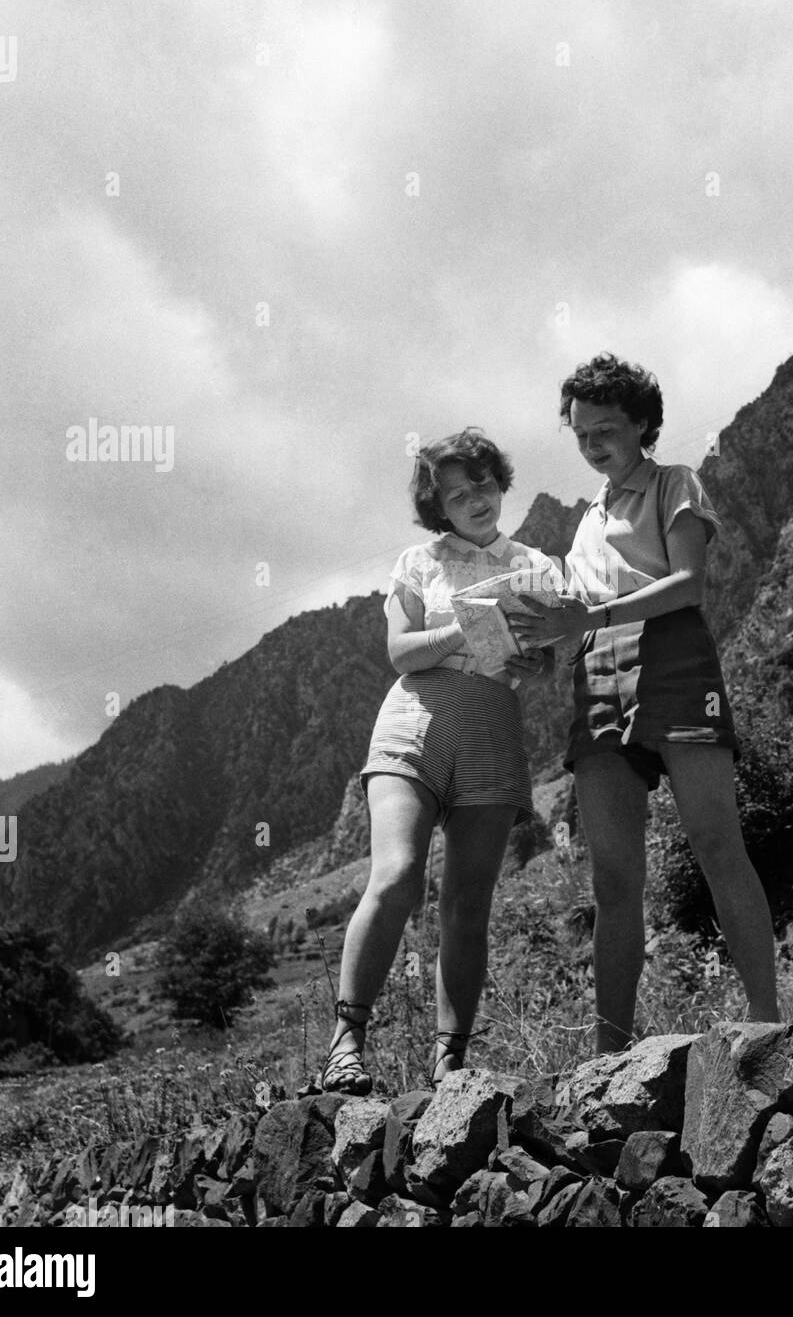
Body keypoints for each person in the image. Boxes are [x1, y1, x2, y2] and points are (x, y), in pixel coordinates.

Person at [510, 353, 781, 1052]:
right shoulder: (582, 525)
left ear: (640, 424)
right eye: (579, 434)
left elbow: (689, 584)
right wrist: (535, 650)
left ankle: (765, 1018)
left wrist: (589, 620)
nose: (592, 444)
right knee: (612, 876)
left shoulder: (674, 483)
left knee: (716, 841)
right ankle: (609, 1054)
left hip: (672, 657)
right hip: (596, 677)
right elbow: (575, 624)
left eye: (604, 428)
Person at [321, 428, 558, 1094]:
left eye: (481, 483)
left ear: (499, 482)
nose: (473, 499)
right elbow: (400, 652)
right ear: (439, 509)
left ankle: (450, 1063)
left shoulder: (535, 563)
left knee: (468, 901)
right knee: (396, 874)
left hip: (492, 723)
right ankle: (346, 1045)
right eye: (456, 494)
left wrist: (533, 657)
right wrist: (470, 621)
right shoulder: (416, 562)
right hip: (415, 720)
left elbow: (542, 664)